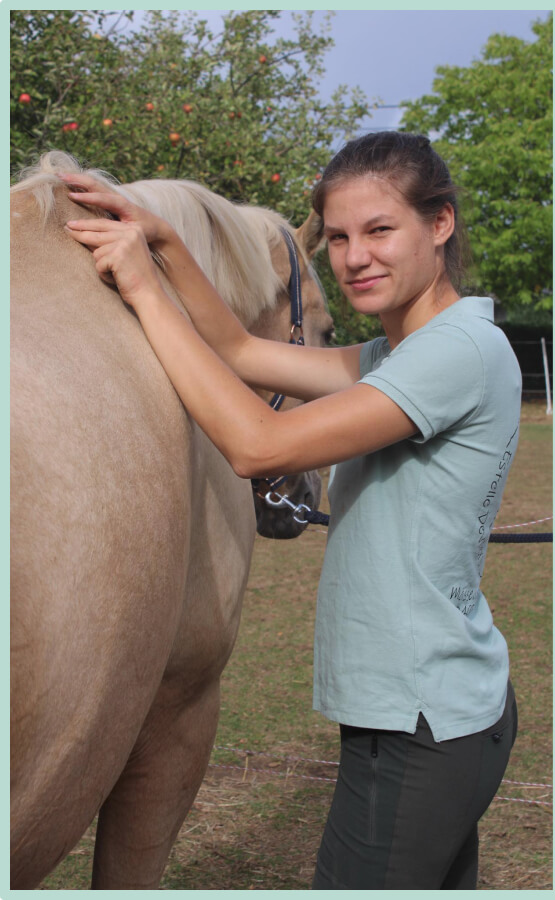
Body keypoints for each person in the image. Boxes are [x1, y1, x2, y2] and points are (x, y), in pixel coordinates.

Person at [61, 131, 520, 890]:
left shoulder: (456, 354)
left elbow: (258, 444)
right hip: (431, 709)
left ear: (438, 224)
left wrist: (143, 288)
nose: (353, 257)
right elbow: (242, 352)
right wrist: (167, 240)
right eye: (338, 237)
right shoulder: (399, 355)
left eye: (379, 230)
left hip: (421, 722)